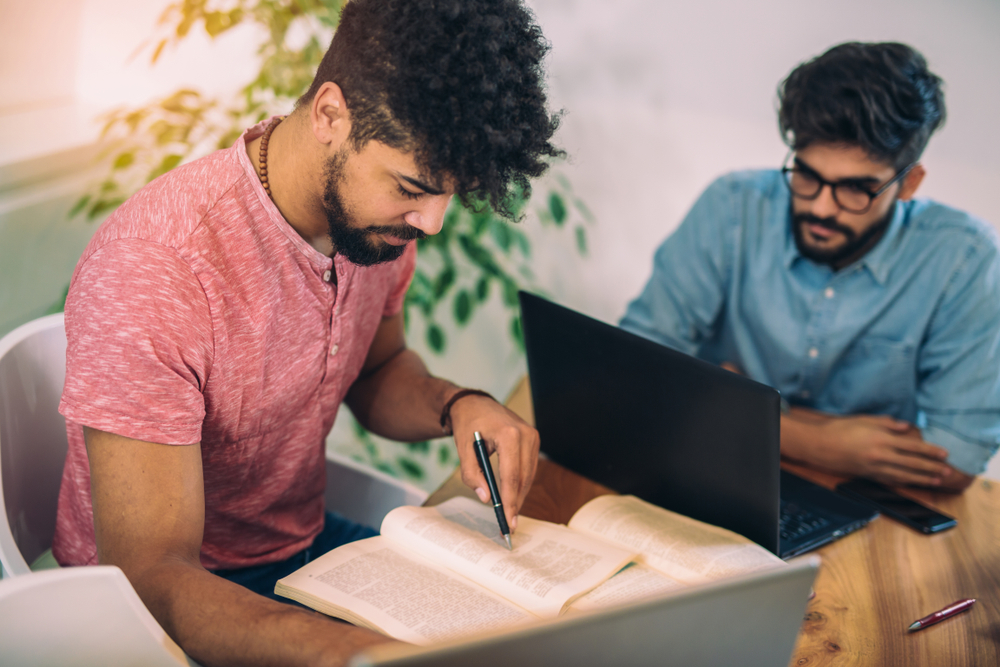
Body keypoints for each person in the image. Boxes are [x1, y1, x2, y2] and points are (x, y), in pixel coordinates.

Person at [52, 1, 560, 665]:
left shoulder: (376, 228)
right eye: (412, 186)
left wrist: (457, 404)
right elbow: (151, 580)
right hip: (164, 609)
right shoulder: (158, 264)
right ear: (329, 114)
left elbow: (378, 371)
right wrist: (348, 650)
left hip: (300, 555)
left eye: (448, 195)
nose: (432, 224)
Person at [621, 42, 999, 493]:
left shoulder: (966, 258)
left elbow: (954, 460)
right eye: (807, 175)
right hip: (714, 471)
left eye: (856, 189)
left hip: (872, 507)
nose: (821, 208)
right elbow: (635, 366)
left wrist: (731, 404)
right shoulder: (733, 206)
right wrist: (818, 441)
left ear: (908, 183)